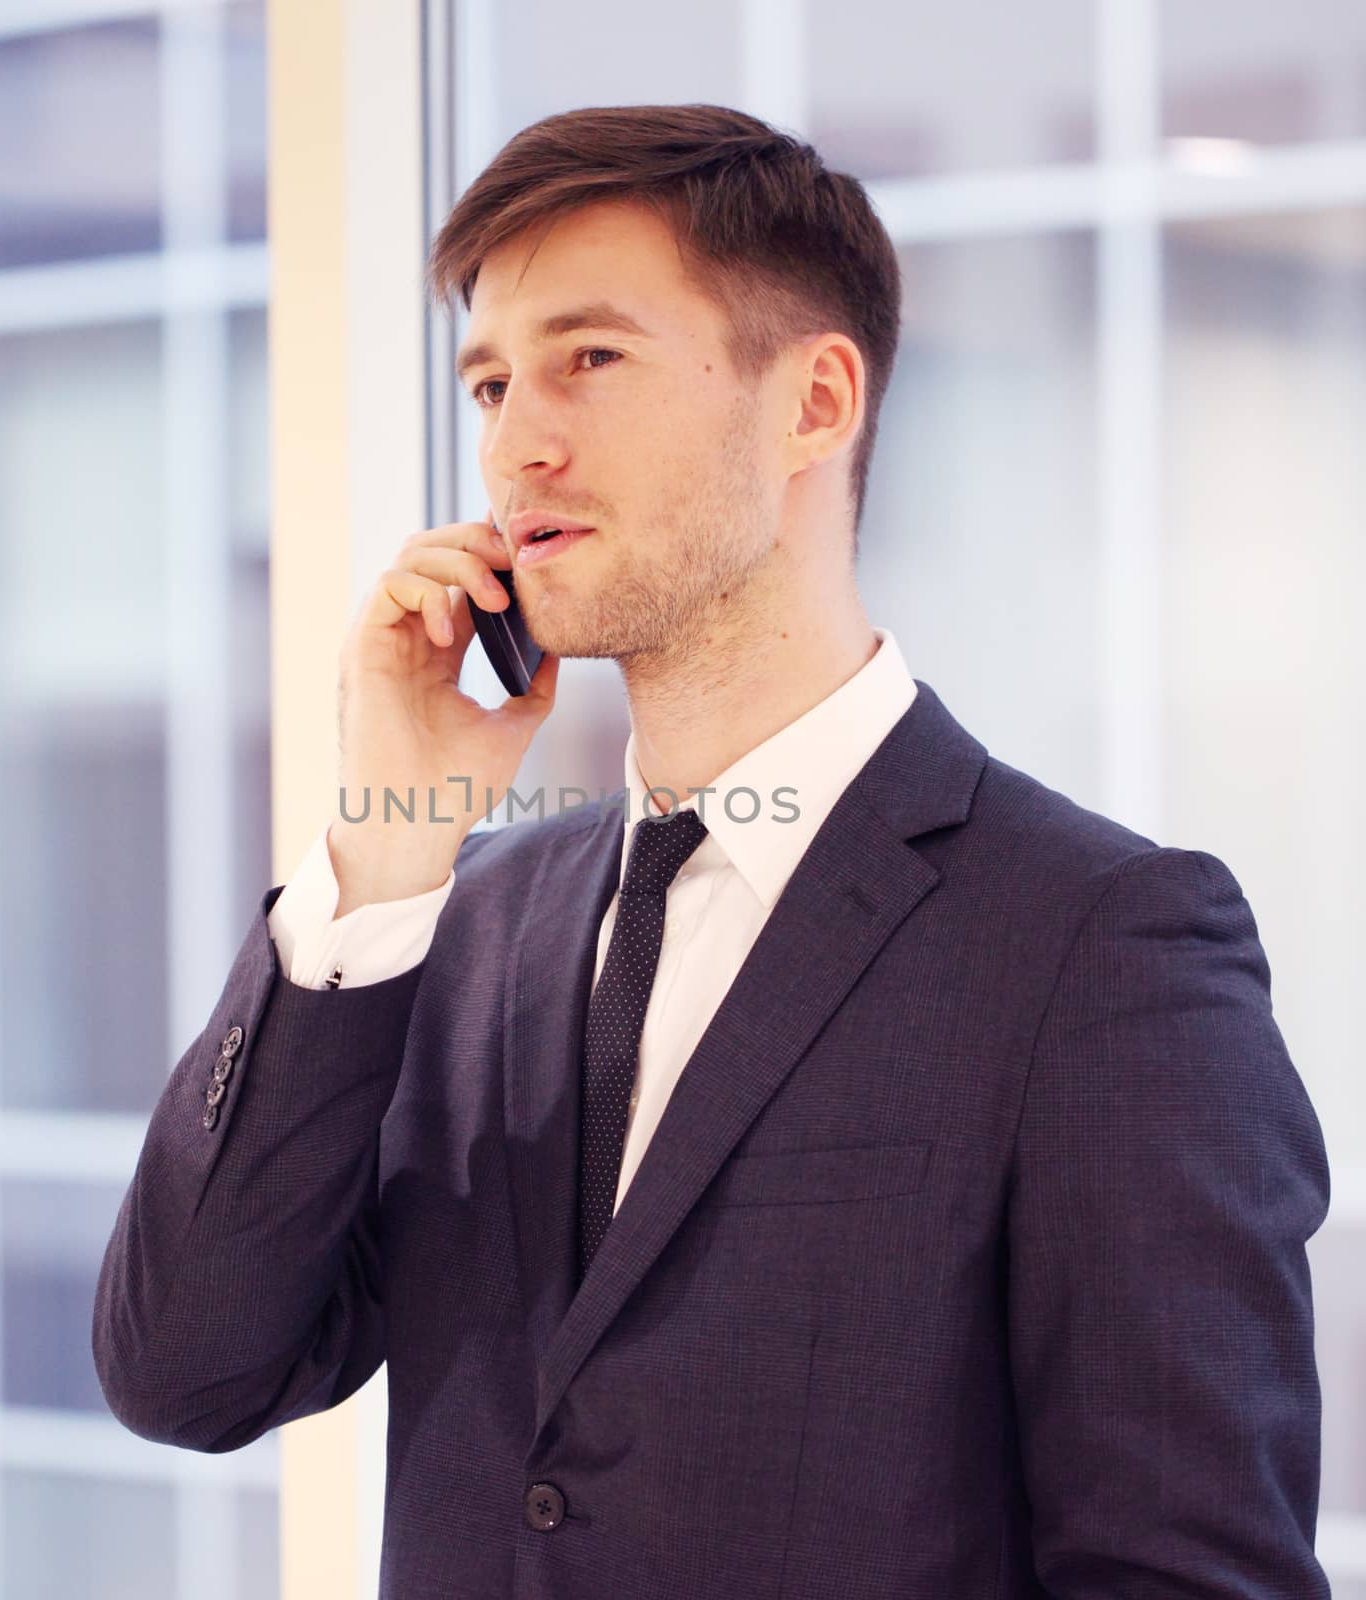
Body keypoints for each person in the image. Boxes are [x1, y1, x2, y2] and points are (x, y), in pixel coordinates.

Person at [92, 104, 1332, 1598]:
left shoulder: (1098, 943)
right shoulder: (466, 927)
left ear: (814, 402)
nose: (514, 444)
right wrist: (382, 840)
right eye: (488, 382)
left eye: (588, 362)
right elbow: (188, 1375)